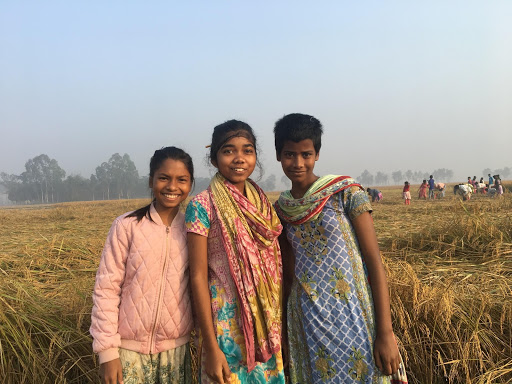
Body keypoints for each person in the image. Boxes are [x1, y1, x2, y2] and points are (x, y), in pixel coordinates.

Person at [273, 113, 407, 384]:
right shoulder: (280, 211)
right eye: (289, 154)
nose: (298, 163)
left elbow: (373, 261)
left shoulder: (345, 193)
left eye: (306, 154)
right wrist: (285, 334)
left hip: (355, 315)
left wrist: (385, 333)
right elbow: (287, 275)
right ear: (278, 155)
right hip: (308, 321)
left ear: (317, 154)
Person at [185, 120, 285, 384]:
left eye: (247, 150)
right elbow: (197, 276)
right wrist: (211, 346)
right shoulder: (201, 205)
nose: (239, 158)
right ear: (214, 158)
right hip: (226, 327)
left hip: (265, 321)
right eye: (229, 151)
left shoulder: (263, 205)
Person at [90, 147, 195, 384]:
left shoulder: (194, 229)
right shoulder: (126, 226)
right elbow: (106, 289)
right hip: (126, 352)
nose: (172, 186)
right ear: (151, 181)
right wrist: (107, 352)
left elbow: (199, 285)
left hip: (176, 353)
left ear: (191, 184)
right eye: (164, 178)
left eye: (181, 180)